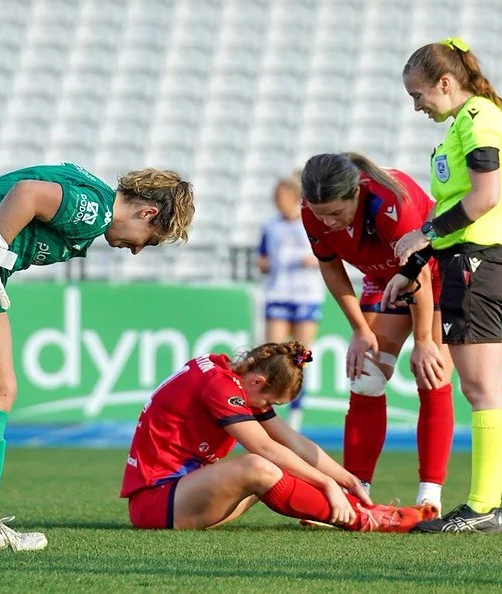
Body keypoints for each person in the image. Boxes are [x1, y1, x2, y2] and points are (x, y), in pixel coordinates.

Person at [0, 162, 195, 551]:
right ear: (147, 212)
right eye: (147, 240)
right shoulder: (97, 209)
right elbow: (27, 194)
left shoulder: (85, 186)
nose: (136, 250)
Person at [385, 37, 502, 533]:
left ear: (445, 83)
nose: (417, 105)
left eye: (419, 94)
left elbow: (485, 198)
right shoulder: (464, 124)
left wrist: (425, 234)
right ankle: (485, 507)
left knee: (483, 387)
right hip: (468, 261)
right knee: (479, 386)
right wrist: (415, 262)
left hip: (478, 264)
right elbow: (455, 209)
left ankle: (484, 509)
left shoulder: (480, 119)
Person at [120, 341, 438, 532]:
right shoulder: (220, 386)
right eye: (271, 402)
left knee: (283, 466)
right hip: (156, 502)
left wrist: (348, 481)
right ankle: (364, 521)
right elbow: (264, 448)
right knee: (260, 467)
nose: (269, 408)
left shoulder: (234, 378)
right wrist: (326, 484)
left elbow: (294, 443)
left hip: (183, 494)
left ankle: (360, 510)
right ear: (258, 381)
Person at [300, 152, 454, 515]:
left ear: (355, 192)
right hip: (384, 279)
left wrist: (424, 341)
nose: (328, 222)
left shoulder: (389, 201)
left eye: (336, 213)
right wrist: (358, 330)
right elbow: (331, 268)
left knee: (430, 374)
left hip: (435, 275)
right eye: (321, 214)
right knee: (365, 378)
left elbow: (417, 272)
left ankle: (430, 496)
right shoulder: (312, 210)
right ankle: (357, 490)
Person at [257, 174, 325, 432]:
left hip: (306, 295)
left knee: (300, 356)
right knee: (271, 354)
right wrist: (264, 265)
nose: (277, 202)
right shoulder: (271, 226)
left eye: (281, 197)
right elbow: (261, 258)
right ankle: (265, 411)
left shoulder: (310, 224)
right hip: (278, 293)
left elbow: (328, 255)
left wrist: (314, 260)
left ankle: (296, 415)